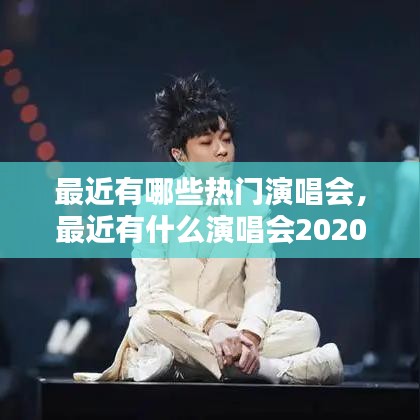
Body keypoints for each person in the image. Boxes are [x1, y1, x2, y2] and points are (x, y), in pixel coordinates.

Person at [73, 73, 344, 384]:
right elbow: (153, 294)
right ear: (179, 155)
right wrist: (211, 326)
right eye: (206, 142)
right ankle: (272, 370)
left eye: (226, 139)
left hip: (234, 330)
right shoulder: (154, 206)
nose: (222, 150)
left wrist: (249, 336)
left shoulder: (251, 205)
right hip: (180, 327)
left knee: (306, 327)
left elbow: (262, 285)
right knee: (145, 322)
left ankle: (176, 365)